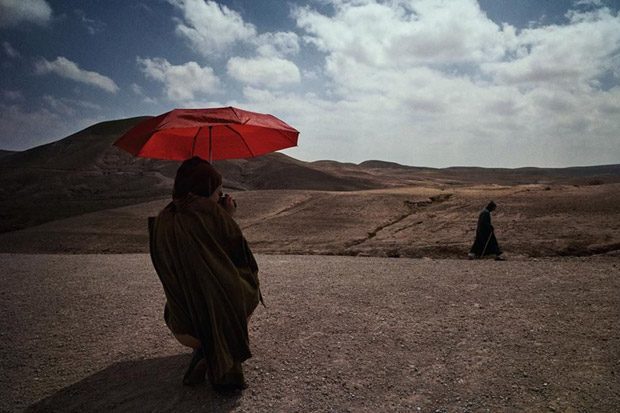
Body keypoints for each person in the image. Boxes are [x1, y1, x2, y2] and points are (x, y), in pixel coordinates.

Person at [149, 156, 262, 391]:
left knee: (202, 290)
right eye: (218, 192)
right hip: (207, 325)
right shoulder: (211, 215)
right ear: (206, 189)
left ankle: (203, 351)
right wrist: (226, 217)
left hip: (180, 323)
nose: (220, 197)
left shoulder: (164, 218)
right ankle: (219, 356)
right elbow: (243, 261)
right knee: (247, 286)